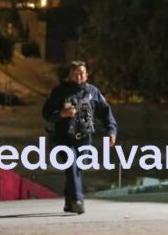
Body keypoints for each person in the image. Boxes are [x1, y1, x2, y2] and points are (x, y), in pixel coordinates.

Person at [41, 61, 118, 215]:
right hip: (63, 139)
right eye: (75, 73)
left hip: (84, 139)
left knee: (76, 169)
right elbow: (46, 113)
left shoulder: (93, 92)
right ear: (70, 75)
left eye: (81, 73)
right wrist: (61, 114)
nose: (79, 76)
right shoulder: (59, 92)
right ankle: (78, 201)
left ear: (86, 75)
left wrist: (111, 131)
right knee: (73, 166)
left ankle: (69, 201)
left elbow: (105, 112)